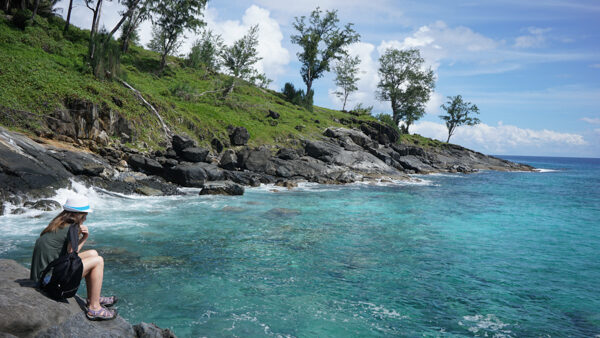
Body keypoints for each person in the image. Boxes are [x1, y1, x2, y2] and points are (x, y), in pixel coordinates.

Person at [30, 195, 118, 320]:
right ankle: (94, 308)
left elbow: (68, 255)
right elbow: (73, 256)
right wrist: (85, 237)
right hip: (49, 283)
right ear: (78, 214)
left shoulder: (57, 223)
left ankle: (94, 296)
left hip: (43, 276)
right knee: (98, 261)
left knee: (93, 253)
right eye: (85, 214)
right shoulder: (73, 227)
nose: (86, 218)